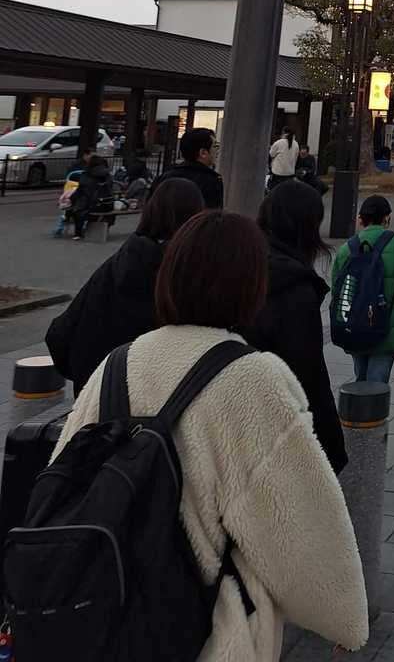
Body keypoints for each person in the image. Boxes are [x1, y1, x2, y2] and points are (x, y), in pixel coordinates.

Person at [53, 210, 368, 657]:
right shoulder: (252, 379)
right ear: (250, 287)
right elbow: (297, 526)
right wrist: (345, 620)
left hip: (101, 614)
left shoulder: (117, 364)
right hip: (203, 631)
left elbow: (62, 479)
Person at [46, 178, 205, 395]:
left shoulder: (117, 263)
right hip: (152, 402)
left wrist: (88, 378)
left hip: (96, 397)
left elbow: (60, 335)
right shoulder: (188, 278)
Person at [243, 181, 348, 474]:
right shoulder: (293, 289)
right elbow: (308, 374)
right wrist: (331, 448)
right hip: (275, 430)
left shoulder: (243, 264)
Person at [332, 194, 394, 383]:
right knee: (377, 383)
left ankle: (358, 400)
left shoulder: (346, 249)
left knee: (361, 379)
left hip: (355, 327)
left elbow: (337, 292)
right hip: (386, 328)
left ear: (360, 220)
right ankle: (372, 402)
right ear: (387, 219)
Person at [154, 126, 224, 208]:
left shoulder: (164, 177)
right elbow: (212, 214)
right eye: (215, 146)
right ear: (203, 153)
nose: (218, 150)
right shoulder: (211, 182)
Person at [69, 150, 114, 240]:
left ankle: (78, 233)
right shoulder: (107, 175)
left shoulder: (86, 174)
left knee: (78, 209)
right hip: (107, 205)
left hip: (91, 205)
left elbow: (80, 191)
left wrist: (71, 199)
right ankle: (102, 229)